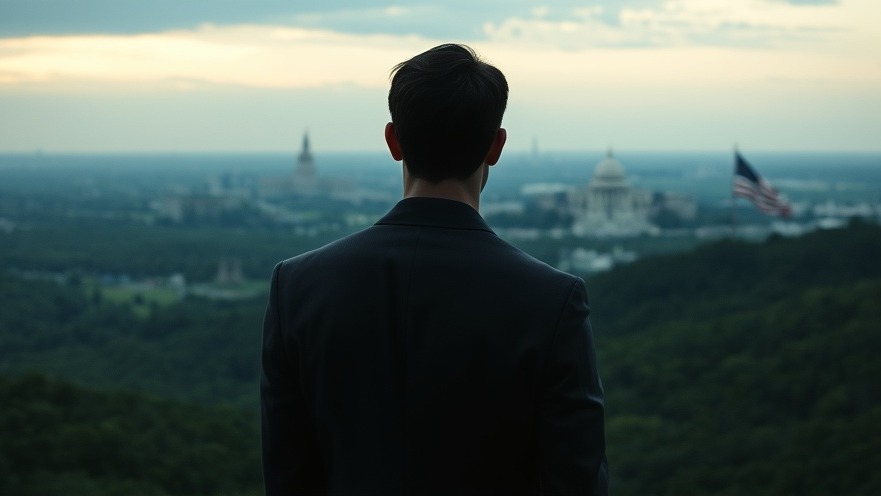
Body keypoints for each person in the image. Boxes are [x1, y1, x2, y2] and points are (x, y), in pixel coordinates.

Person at [261, 43, 608, 495]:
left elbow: (287, 478)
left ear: (393, 140)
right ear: (495, 146)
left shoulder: (298, 287)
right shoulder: (551, 300)